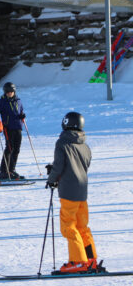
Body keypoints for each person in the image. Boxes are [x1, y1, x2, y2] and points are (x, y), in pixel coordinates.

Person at [45, 112, 101, 274]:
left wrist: (52, 178)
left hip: (68, 191)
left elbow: (60, 165)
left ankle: (78, 261)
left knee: (68, 226)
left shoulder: (62, 143)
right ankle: (90, 259)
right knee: (82, 226)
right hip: (82, 191)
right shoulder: (85, 145)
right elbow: (85, 164)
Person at [0, 82, 26, 180]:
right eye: (7, 92)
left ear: (14, 91)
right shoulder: (1, 102)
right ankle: (4, 171)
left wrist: (22, 116)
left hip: (18, 127)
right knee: (9, 148)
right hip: (8, 127)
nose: (9, 93)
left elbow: (20, 111)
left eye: (11, 91)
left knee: (16, 149)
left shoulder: (18, 101)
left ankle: (11, 170)